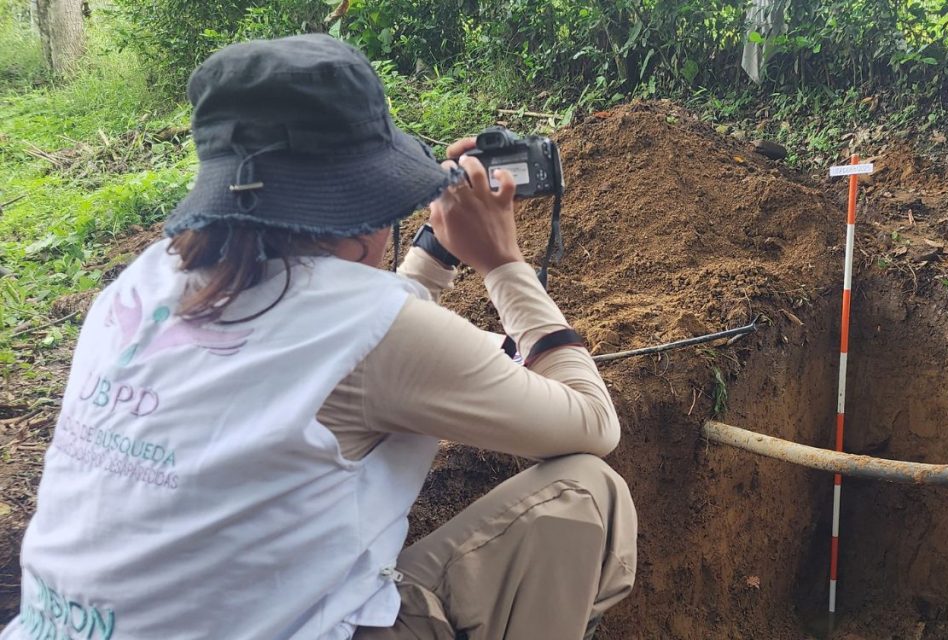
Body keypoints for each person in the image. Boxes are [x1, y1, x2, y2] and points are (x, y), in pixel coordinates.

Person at [3, 34, 636, 640]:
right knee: (587, 493)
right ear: (363, 213)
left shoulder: (141, 285)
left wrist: (435, 253)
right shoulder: (377, 332)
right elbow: (592, 424)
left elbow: (343, 336)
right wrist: (502, 262)